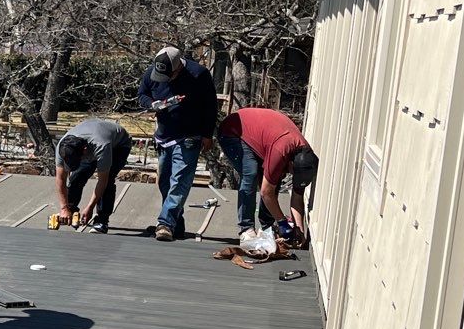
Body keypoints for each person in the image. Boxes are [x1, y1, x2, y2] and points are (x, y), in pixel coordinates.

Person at [136, 46, 218, 242]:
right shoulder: (153, 71)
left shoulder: (198, 74)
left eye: (169, 76)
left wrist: (207, 134)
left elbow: (210, 105)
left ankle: (165, 223)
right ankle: (176, 224)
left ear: (178, 68)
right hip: (164, 136)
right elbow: (142, 94)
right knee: (165, 181)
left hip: (189, 135)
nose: (165, 79)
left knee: (180, 180)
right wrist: (152, 104)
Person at [215, 105, 317, 241]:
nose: (291, 176)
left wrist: (299, 231)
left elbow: (298, 198)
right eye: (292, 172)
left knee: (275, 177)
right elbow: (266, 192)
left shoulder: (306, 160)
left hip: (261, 135)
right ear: (291, 163)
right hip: (233, 130)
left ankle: (266, 228)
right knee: (250, 174)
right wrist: (282, 222)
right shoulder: (281, 149)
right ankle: (246, 229)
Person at [53, 117, 132, 233]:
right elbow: (60, 178)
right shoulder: (63, 147)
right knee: (77, 176)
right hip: (90, 140)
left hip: (118, 145)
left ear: (84, 151)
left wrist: (89, 208)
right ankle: (71, 211)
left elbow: (102, 181)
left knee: (108, 180)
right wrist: (64, 208)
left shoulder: (102, 146)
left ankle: (102, 220)